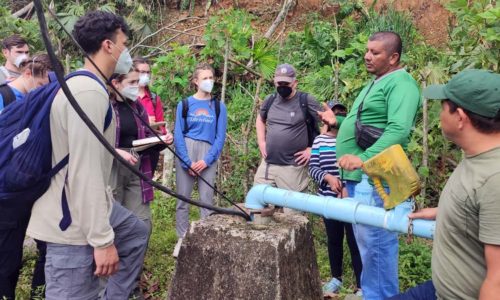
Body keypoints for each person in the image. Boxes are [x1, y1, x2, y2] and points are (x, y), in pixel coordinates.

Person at [26, 11, 148, 299]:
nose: (126, 51)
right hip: (72, 227)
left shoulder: (85, 85)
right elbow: (85, 171)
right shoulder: (88, 93)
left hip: (86, 209)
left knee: (134, 234)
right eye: (124, 43)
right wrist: (103, 241)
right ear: (108, 45)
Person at [318, 31, 421, 299]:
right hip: (360, 179)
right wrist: (338, 122)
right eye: (367, 50)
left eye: (375, 52)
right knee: (367, 246)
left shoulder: (402, 83)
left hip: (375, 177)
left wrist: (363, 159)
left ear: (393, 57)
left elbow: (398, 130)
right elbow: (365, 124)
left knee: (376, 247)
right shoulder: (377, 82)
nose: (367, 56)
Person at [388, 69, 500, 300]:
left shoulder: (494, 179)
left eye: (443, 106)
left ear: (460, 117)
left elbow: (497, 282)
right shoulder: (479, 155)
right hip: (440, 289)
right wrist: (449, 211)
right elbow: (485, 210)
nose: (439, 114)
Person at [0, 54, 52, 300]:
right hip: (6, 193)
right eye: (42, 87)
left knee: (19, 254)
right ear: (30, 74)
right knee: (5, 258)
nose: (43, 92)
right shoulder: (5, 97)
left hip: (26, 190)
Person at [309, 101, 362, 296]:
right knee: (334, 240)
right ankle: (335, 279)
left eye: (341, 112)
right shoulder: (320, 141)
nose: (336, 116)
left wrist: (346, 186)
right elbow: (313, 167)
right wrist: (328, 178)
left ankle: (360, 285)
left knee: (355, 242)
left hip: (350, 201)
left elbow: (359, 168)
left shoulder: (352, 141)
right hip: (328, 200)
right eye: (334, 112)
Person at [173, 62, 227, 256]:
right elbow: (178, 133)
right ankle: (182, 238)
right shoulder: (185, 104)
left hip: (208, 152)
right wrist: (186, 161)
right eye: (205, 78)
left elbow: (220, 137)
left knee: (206, 199)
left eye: (211, 78)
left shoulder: (219, 107)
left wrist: (207, 160)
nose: (209, 81)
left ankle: (205, 239)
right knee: (183, 198)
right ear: (196, 81)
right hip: (187, 149)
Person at [253, 63, 322, 210]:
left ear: (295, 83)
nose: (282, 86)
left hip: (293, 167)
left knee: (293, 214)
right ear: (274, 82)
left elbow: (327, 125)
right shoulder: (270, 100)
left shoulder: (306, 100)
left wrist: (313, 150)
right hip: (268, 164)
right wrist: (261, 142)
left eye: (286, 83)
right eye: (279, 83)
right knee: (257, 206)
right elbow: (260, 119)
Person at [134, 56, 167, 176]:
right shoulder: (126, 96)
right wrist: (145, 121)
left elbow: (161, 126)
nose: (146, 75)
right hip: (131, 147)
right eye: (142, 72)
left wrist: (164, 134)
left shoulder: (154, 98)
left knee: (146, 184)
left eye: (148, 72)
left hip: (151, 149)